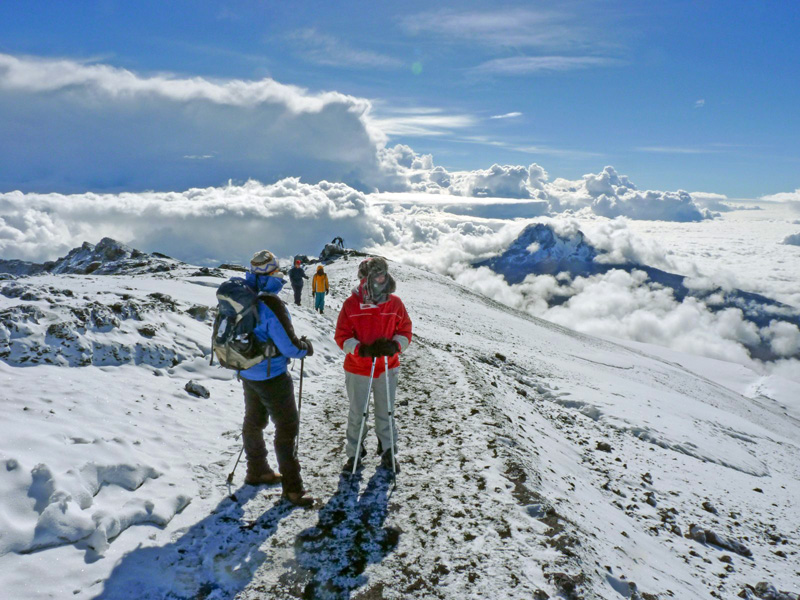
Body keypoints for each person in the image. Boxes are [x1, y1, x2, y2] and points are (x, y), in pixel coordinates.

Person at [239, 249, 315, 507]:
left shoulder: (242, 295)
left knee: (254, 421)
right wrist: (306, 347)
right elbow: (290, 348)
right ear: (271, 274)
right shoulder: (270, 303)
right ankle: (293, 490)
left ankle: (257, 470)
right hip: (272, 375)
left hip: (247, 370)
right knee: (287, 427)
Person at [334, 257, 412, 473]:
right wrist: (361, 350)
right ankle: (355, 454)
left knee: (386, 410)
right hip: (358, 367)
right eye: (377, 274)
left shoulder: (394, 303)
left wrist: (396, 346)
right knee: (357, 412)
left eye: (383, 273)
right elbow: (342, 336)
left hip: (387, 366)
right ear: (365, 277)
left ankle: (388, 450)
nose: (382, 277)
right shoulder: (351, 304)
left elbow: (405, 330)